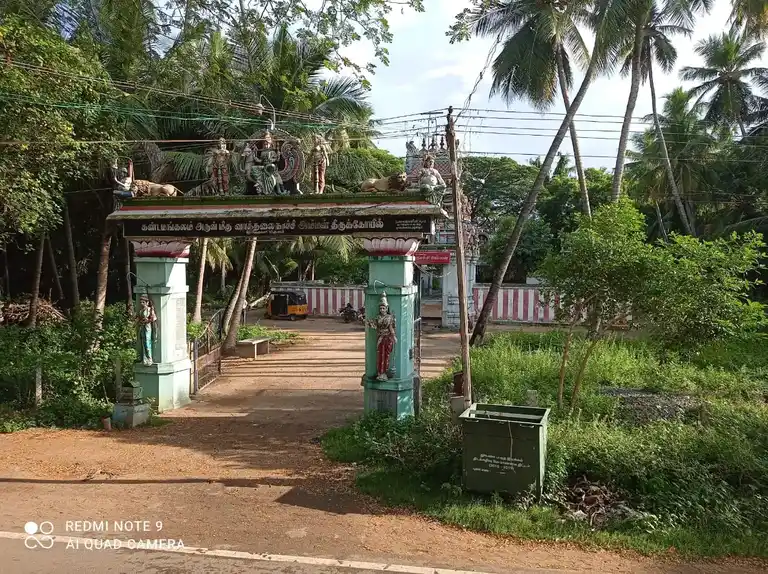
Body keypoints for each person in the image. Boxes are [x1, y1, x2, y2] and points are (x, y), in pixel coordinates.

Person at [365, 292, 397, 380]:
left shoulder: (389, 317)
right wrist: (368, 321)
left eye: (384, 308)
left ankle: (384, 372)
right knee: (380, 355)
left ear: (387, 308)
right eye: (381, 308)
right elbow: (373, 324)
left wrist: (394, 337)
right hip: (380, 338)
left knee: (386, 355)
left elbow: (391, 328)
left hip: (387, 338)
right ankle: (380, 373)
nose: (382, 310)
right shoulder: (378, 318)